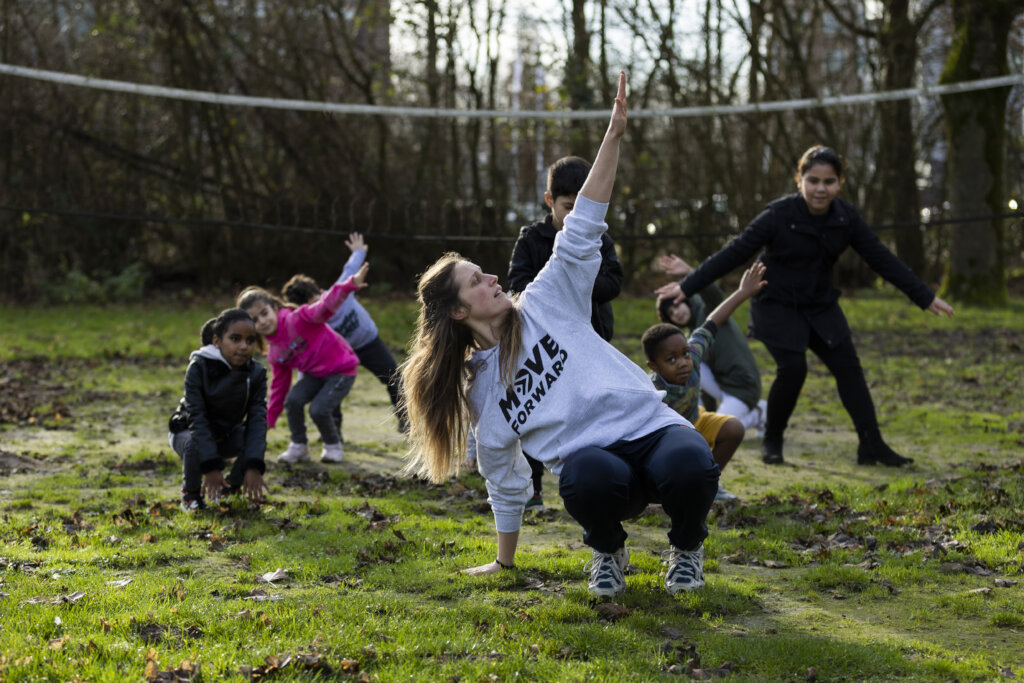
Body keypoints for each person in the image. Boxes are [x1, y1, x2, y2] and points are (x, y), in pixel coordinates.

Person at [402, 72, 720, 598]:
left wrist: (613, 136)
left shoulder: (545, 299)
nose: (493, 278)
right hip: (600, 471)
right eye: (477, 281)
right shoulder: (483, 392)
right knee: (583, 478)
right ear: (458, 311)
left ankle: (687, 549)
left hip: (651, 430)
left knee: (691, 462)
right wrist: (503, 563)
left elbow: (583, 225)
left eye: (485, 273)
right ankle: (607, 552)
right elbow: (504, 480)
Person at [655, 145, 954, 467]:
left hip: (820, 305)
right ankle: (773, 439)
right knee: (793, 369)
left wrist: (924, 296)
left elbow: (881, 258)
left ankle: (872, 445)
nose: (820, 189)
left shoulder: (845, 217)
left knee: (849, 369)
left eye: (829, 181)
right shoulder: (778, 215)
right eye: (813, 181)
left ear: (840, 183)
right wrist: (687, 285)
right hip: (776, 305)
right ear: (799, 180)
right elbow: (735, 252)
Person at [502, 157, 625, 510]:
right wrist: (555, 287)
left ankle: (604, 483)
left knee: (594, 412)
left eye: (582, 207)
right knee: (538, 412)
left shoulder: (600, 239)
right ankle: (533, 488)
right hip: (544, 346)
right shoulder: (531, 239)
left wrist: (580, 282)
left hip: (591, 340)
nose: (575, 215)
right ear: (549, 201)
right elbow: (518, 285)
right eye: (568, 207)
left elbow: (613, 284)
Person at [642, 263, 768, 503]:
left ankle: (710, 482)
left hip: (695, 419)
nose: (682, 363)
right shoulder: (652, 389)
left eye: (684, 354)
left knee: (734, 428)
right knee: (682, 457)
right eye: (671, 360)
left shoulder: (694, 351)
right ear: (654, 366)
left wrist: (743, 292)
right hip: (668, 436)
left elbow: (714, 319)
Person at [237, 261, 368, 464]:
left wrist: (349, 285)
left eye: (264, 313)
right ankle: (299, 447)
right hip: (315, 375)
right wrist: (269, 419)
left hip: (341, 370)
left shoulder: (298, 318)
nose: (262, 321)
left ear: (274, 307)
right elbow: (279, 388)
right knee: (293, 401)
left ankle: (333, 446)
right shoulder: (274, 352)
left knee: (318, 409)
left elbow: (325, 305)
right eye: (254, 320)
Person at [281, 232, 408, 437]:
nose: (320, 309)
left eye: (318, 300)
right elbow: (305, 354)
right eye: (311, 307)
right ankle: (334, 434)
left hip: (368, 343)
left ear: (321, 292)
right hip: (338, 355)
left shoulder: (338, 293)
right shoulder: (307, 322)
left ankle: (405, 419)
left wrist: (359, 251)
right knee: (330, 390)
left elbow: (351, 269)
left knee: (393, 377)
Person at [168, 308, 269, 512]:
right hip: (188, 431)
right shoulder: (198, 367)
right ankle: (191, 494)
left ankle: (229, 488)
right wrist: (211, 467)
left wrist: (253, 465)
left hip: (226, 434)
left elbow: (257, 420)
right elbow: (197, 417)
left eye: (250, 340)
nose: (244, 346)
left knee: (253, 438)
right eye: (235, 339)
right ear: (217, 341)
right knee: (193, 445)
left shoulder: (256, 373)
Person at [656, 254, 766, 434]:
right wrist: (708, 414)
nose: (677, 313)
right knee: (688, 361)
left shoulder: (707, 310)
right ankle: (709, 415)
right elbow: (698, 378)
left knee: (717, 432)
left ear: (686, 300)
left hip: (742, 387)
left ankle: (759, 413)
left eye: (677, 305)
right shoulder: (689, 336)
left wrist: (690, 273)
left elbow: (713, 293)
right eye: (671, 313)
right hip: (721, 387)